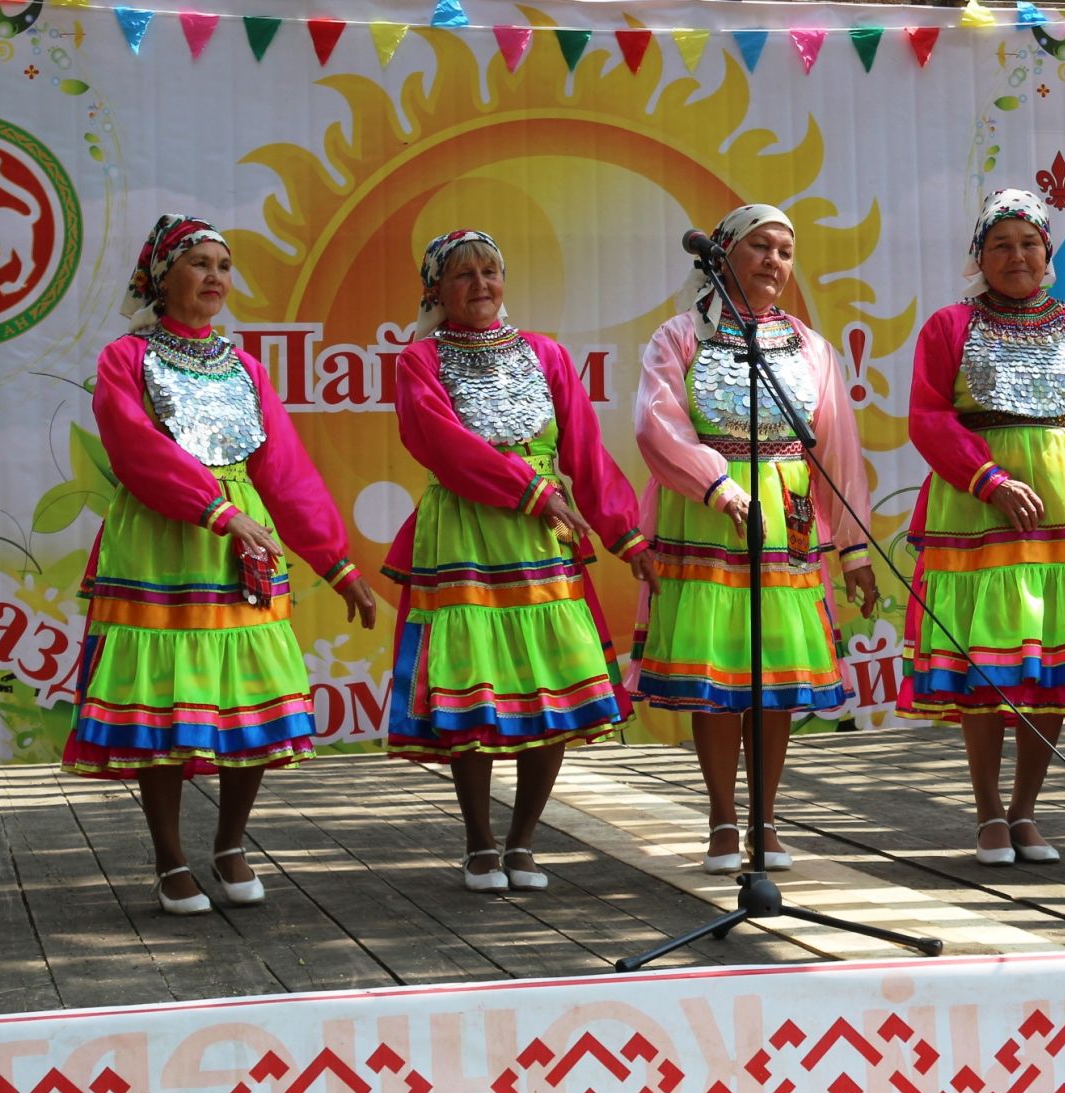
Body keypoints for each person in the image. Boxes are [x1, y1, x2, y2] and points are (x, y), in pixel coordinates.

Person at [65, 214, 378, 915]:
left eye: (223, 265)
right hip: (165, 537)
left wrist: (337, 564)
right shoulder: (128, 358)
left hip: (243, 542)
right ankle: (171, 856)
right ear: (161, 276)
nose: (214, 276)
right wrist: (217, 511)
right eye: (198, 262)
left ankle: (231, 842)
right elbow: (135, 449)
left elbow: (286, 471)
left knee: (251, 694)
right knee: (169, 702)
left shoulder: (245, 367)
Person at [385, 229, 656, 892]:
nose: (481, 285)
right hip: (467, 531)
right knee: (472, 685)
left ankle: (524, 840)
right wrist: (530, 491)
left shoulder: (546, 355)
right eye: (464, 275)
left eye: (491, 271)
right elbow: (440, 443)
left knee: (553, 684)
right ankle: (480, 843)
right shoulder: (420, 359)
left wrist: (628, 537)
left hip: (543, 539)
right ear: (435, 291)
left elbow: (586, 454)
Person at [896, 189, 1065, 867]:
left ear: (1048, 254)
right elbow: (928, 417)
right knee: (987, 666)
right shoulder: (949, 327)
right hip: (978, 507)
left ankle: (1025, 812)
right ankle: (987, 813)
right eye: (1002, 244)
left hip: (1062, 515)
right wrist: (987, 477)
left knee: (1048, 667)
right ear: (980, 255)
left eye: (1029, 243)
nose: (1017, 256)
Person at [630, 204, 879, 875]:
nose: (774, 261)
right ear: (723, 254)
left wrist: (853, 549)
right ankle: (720, 817)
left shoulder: (808, 348)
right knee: (718, 675)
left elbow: (839, 452)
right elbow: (657, 425)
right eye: (760, 247)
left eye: (786, 251)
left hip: (787, 518)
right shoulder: (679, 337)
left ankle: (766, 819)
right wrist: (717, 484)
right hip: (709, 514)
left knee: (772, 679)